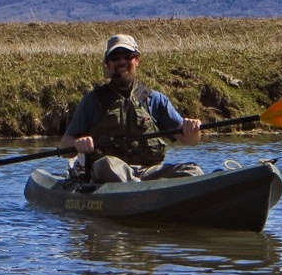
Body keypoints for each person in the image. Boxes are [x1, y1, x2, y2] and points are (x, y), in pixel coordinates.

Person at [59, 34, 204, 183]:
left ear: (137, 60)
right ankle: (140, 187)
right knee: (105, 164)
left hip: (148, 172)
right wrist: (78, 143)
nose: (122, 61)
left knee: (193, 170)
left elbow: (191, 140)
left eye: (128, 56)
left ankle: (144, 187)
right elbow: (64, 147)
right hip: (109, 173)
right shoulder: (92, 101)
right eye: (115, 57)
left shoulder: (155, 99)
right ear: (108, 63)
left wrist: (192, 129)